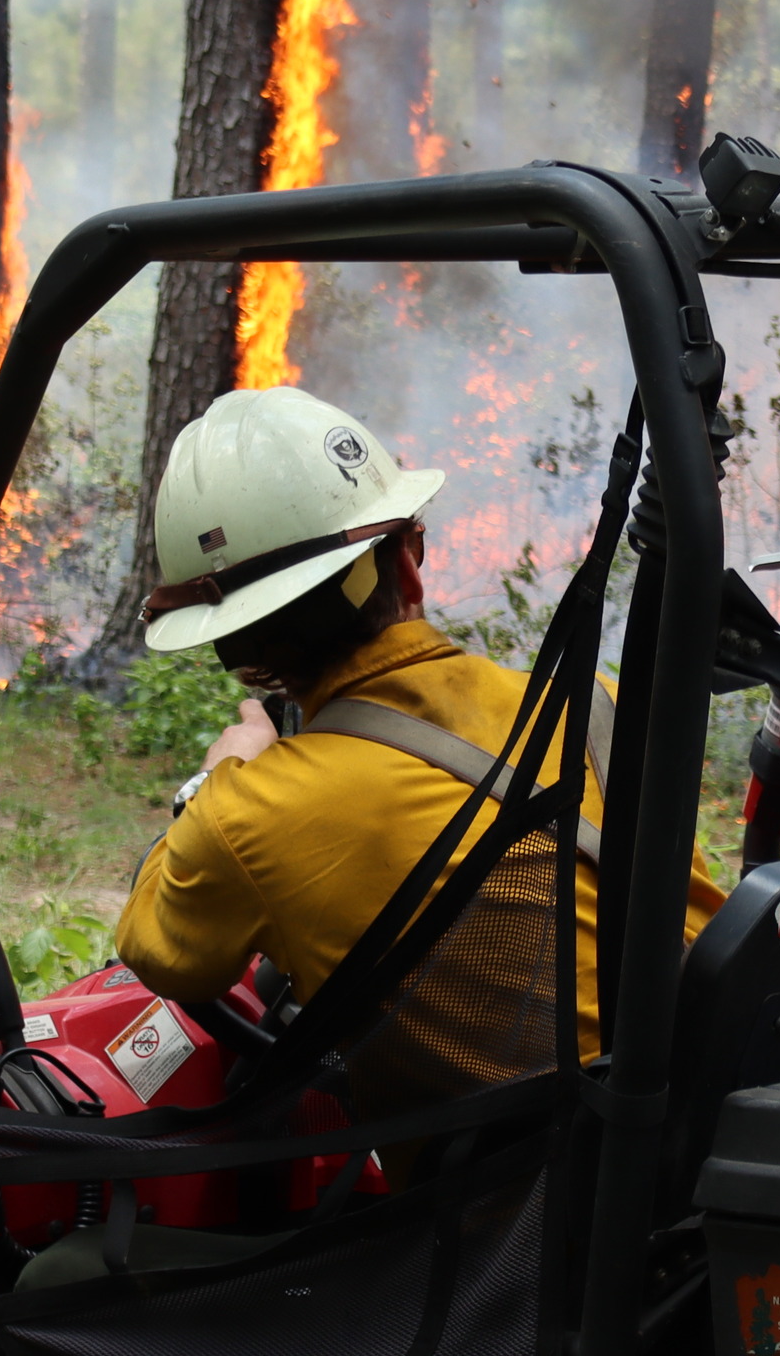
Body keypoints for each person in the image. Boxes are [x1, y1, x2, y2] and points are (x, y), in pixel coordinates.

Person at [111, 386, 721, 1066]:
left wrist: (210, 781)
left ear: (235, 647)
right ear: (406, 565)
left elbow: (157, 954)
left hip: (512, 1172)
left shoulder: (246, 816)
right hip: (689, 1136)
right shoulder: (594, 712)